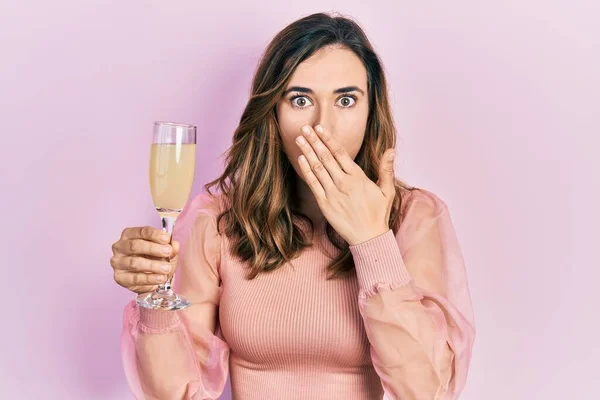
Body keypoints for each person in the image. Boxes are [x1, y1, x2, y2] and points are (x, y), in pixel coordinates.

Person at [111, 12, 476, 400]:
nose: (323, 127)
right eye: (300, 100)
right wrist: (152, 297)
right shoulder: (215, 220)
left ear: (372, 113)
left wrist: (372, 240)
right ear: (272, 111)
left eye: (346, 100)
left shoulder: (413, 218)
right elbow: (176, 393)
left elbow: (427, 392)